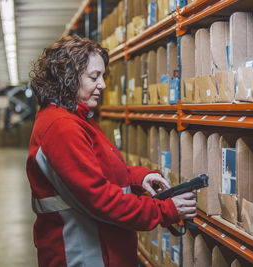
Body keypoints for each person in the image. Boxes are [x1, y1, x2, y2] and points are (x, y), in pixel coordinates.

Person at [26, 35, 197, 267]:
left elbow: (99, 170)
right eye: (94, 77)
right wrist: (165, 210)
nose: (103, 85)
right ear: (67, 78)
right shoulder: (61, 127)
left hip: (102, 250)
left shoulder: (76, 118)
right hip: (85, 255)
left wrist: (139, 177)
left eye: (103, 76)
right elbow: (100, 199)